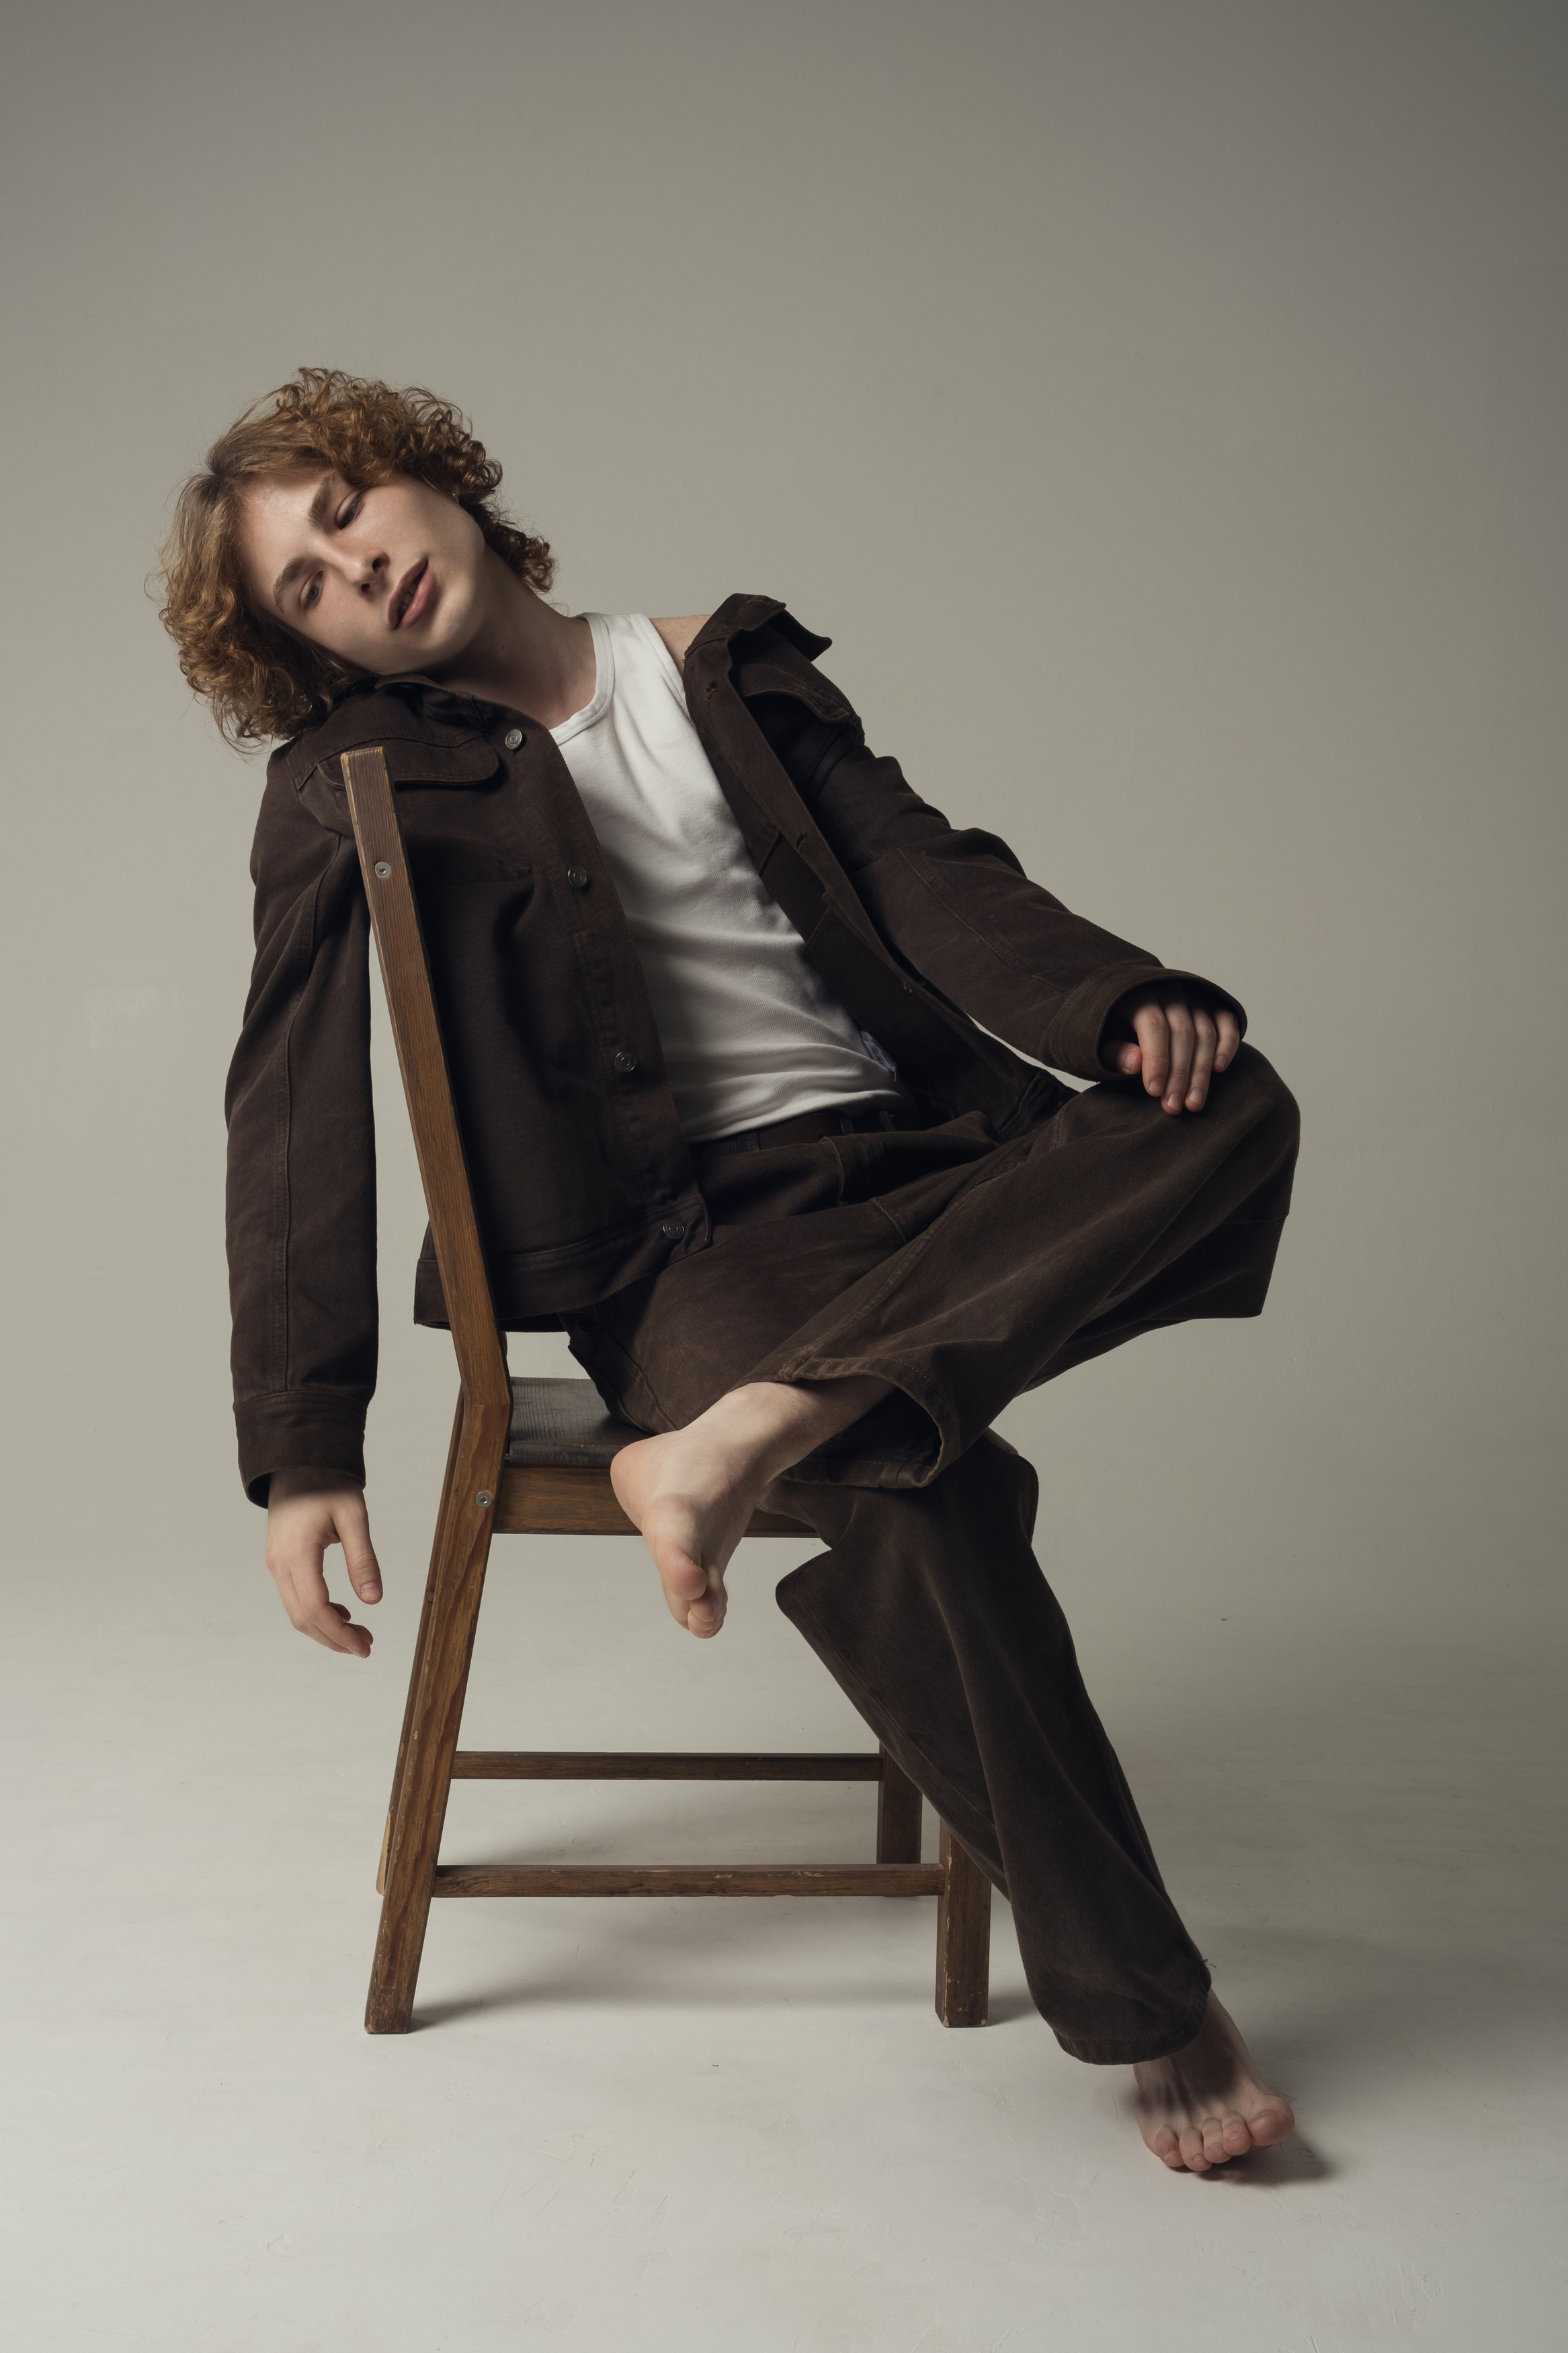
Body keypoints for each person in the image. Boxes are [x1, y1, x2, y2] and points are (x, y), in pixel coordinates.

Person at [160, 368, 1301, 2172]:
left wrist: (1118, 1001)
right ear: (310, 652)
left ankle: (767, 1425)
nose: (356, 568)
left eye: (349, 508)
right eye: (306, 585)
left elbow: (931, 880)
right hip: (691, 1256)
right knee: (924, 1494)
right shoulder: (351, 782)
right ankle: (1155, 2013)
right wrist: (302, 1444)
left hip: (932, 1176)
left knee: (1228, 1103)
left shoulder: (722, 667)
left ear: (431, 477)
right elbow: (291, 1106)